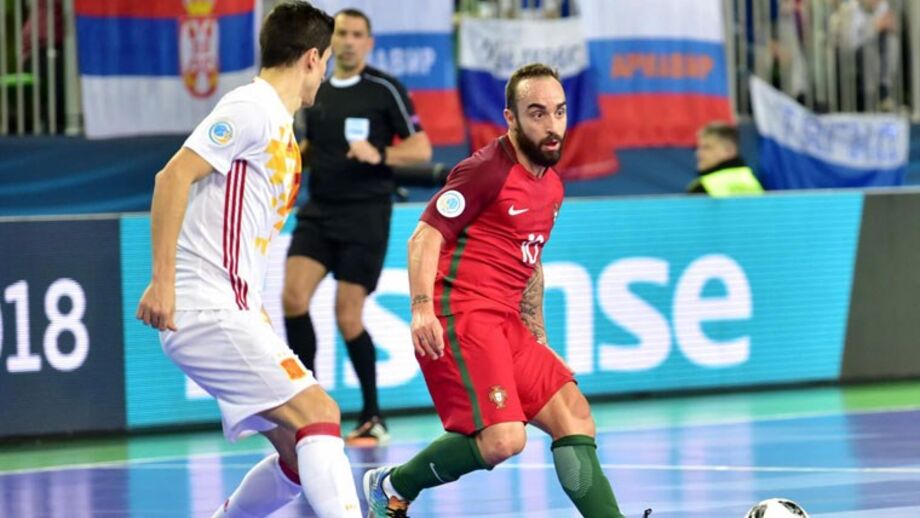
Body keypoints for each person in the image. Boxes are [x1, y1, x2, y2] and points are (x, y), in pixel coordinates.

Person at [363, 63, 641, 518]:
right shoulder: (484, 171)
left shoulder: (550, 186)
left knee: (573, 414)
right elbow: (424, 237)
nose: (552, 127)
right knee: (504, 440)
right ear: (510, 118)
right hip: (462, 316)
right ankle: (392, 487)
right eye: (537, 114)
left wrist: (537, 334)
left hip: (506, 321)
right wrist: (421, 309)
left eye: (559, 112)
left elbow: (529, 262)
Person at [135, 3, 362, 517]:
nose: (324, 74)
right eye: (325, 61)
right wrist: (163, 283)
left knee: (295, 453)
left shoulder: (280, 128)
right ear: (310, 57)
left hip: (231, 308)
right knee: (318, 413)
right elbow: (172, 178)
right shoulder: (251, 108)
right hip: (204, 306)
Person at [282, 8, 432, 446]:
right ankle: (305, 407)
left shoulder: (385, 89)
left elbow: (422, 149)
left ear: (369, 42)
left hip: (366, 215)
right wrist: (290, 161)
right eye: (341, 34)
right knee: (292, 297)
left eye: (356, 35)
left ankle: (372, 416)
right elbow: (311, 146)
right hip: (319, 210)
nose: (348, 41)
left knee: (347, 314)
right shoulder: (316, 87)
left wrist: (381, 156)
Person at [687, 122, 764, 196]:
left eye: (707, 147)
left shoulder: (701, 188)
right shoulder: (752, 181)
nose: (698, 153)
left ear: (729, 150)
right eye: (699, 148)